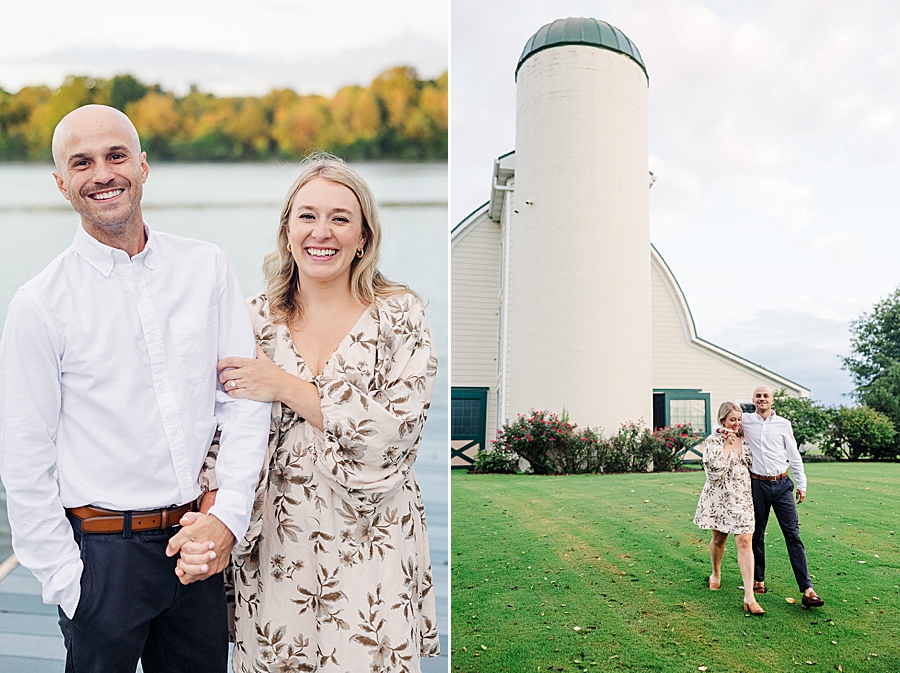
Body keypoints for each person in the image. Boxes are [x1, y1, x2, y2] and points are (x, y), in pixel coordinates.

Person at [0, 104, 271, 672]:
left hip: (195, 545)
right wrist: (67, 582)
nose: (103, 173)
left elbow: (241, 400)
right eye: (83, 162)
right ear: (61, 183)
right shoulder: (40, 304)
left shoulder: (207, 267)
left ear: (143, 166)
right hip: (101, 560)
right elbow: (24, 456)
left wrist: (229, 517)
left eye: (116, 155)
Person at [183, 153, 440, 672]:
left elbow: (397, 430)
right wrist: (212, 522)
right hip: (277, 543)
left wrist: (283, 386)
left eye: (341, 218)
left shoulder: (400, 313)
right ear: (287, 229)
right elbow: (217, 431)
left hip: (374, 536)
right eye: (307, 215)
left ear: (364, 236)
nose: (322, 232)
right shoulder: (253, 318)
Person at [721, 386, 824, 608]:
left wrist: (801, 483)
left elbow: (794, 455)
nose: (762, 399)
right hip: (757, 485)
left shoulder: (783, 424)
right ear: (753, 400)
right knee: (756, 534)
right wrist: (723, 433)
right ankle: (758, 580)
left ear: (772, 400)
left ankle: (807, 589)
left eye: (765, 395)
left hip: (782, 484)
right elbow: (726, 422)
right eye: (758, 396)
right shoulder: (746, 421)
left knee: (793, 536)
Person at [694, 401, 762, 614]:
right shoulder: (713, 441)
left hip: (742, 497)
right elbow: (713, 472)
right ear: (722, 420)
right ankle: (715, 573)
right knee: (719, 540)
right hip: (720, 499)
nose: (736, 424)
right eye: (732, 419)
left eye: (739, 420)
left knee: (744, 541)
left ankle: (749, 596)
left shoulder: (745, 440)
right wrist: (726, 444)